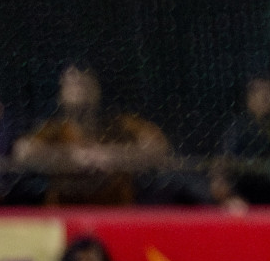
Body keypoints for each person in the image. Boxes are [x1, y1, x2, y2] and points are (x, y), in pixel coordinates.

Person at [13, 65, 171, 205]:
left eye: (84, 82)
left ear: (97, 89)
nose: (78, 87)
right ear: (61, 94)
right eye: (71, 84)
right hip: (65, 215)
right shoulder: (54, 129)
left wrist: (111, 156)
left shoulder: (120, 125)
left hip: (116, 215)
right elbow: (23, 151)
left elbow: (158, 147)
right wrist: (73, 158)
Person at [211, 76, 270, 208]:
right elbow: (222, 164)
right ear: (249, 99)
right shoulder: (239, 127)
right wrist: (227, 193)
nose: (265, 96)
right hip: (244, 193)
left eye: (269, 91)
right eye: (258, 91)